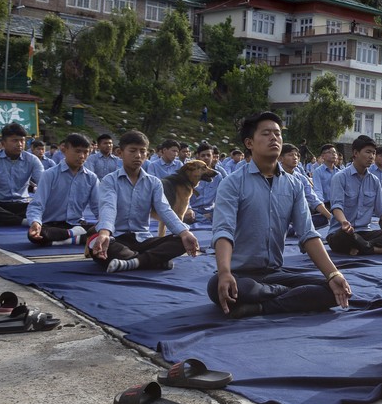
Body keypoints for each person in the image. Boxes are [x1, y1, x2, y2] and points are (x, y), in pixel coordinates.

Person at [210, 113, 352, 318]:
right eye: (266, 134)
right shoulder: (232, 183)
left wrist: (333, 273)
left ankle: (262, 307)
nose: (273, 138)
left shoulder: (294, 184)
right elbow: (223, 231)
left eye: (277, 134)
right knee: (221, 286)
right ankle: (286, 296)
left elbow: (308, 234)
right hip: (240, 275)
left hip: (275, 275)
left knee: (335, 290)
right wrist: (224, 272)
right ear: (249, 143)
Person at [91, 130, 200, 274]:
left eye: (142, 151)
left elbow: (164, 209)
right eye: (133, 151)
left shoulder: (153, 182)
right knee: (97, 245)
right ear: (120, 153)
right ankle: (153, 261)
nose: (138, 155)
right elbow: (108, 207)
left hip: (143, 239)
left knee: (181, 240)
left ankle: (134, 262)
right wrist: (104, 232)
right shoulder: (109, 180)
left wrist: (184, 232)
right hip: (117, 238)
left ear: (147, 154)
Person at [326, 135, 382, 255]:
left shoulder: (374, 181)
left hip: (365, 233)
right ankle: (377, 249)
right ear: (355, 153)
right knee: (344, 236)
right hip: (343, 232)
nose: (371, 156)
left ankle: (360, 248)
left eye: (374, 153)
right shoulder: (340, 177)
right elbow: (336, 206)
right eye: (368, 152)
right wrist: (344, 222)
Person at [26, 133, 99, 247]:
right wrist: (35, 222)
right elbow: (37, 204)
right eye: (77, 151)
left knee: (106, 230)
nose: (82, 156)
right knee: (35, 235)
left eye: (86, 152)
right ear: (64, 150)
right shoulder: (49, 175)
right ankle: (75, 236)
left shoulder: (91, 178)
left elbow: (98, 206)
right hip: (52, 225)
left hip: (76, 224)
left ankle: (65, 238)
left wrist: (104, 224)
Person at [0, 123, 44, 225]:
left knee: (44, 204)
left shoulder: (32, 160)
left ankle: (1, 222)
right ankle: (23, 222)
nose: (19, 144)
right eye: (15, 140)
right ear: (3, 143)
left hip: (22, 204)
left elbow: (43, 182)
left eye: (22, 140)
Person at [280, 143, 331, 229]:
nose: (295, 157)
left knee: (323, 219)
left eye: (296, 155)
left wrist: (331, 218)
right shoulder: (274, 175)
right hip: (279, 217)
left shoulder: (301, 178)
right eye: (290, 155)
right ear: (280, 158)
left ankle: (295, 228)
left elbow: (313, 199)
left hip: (297, 217)